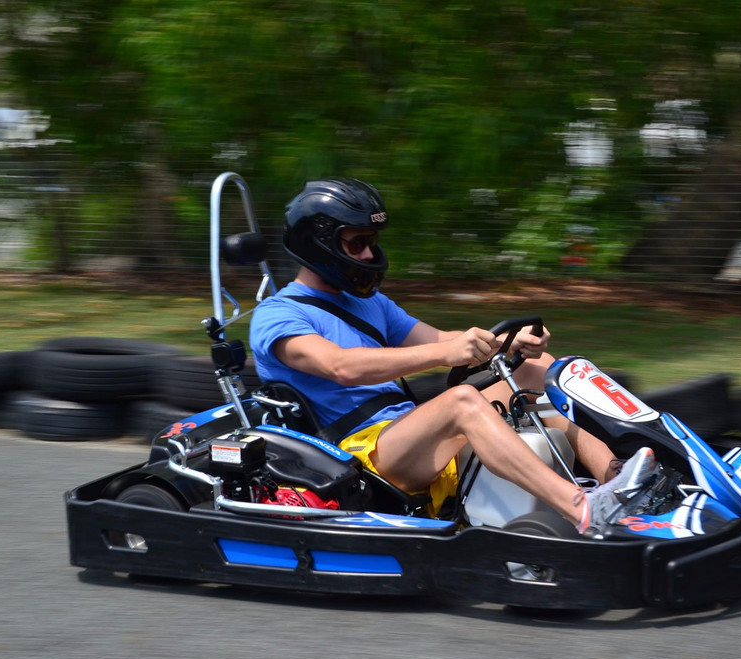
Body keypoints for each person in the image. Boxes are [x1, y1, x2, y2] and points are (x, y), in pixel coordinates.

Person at [249, 177, 649, 535]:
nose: (369, 255)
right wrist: (445, 353)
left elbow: (442, 338)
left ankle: (620, 481)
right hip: (355, 452)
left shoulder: (371, 304)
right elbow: (340, 367)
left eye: (371, 243)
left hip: (405, 430)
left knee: (538, 371)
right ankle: (581, 508)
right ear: (316, 246)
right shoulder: (279, 315)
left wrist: (507, 344)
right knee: (462, 402)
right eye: (356, 244)